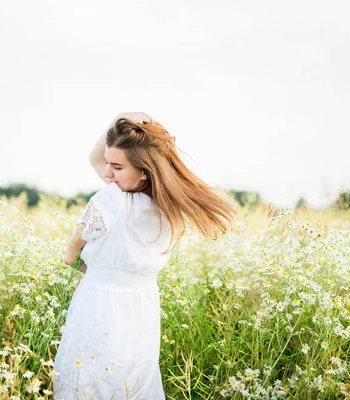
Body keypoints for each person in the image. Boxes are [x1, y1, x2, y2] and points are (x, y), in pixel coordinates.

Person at [53, 112, 237, 399]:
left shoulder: (110, 200)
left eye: (116, 167)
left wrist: (118, 118)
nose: (106, 174)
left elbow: (70, 255)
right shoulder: (171, 209)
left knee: (87, 382)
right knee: (133, 384)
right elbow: (100, 160)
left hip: (99, 304)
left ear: (144, 171)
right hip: (142, 309)